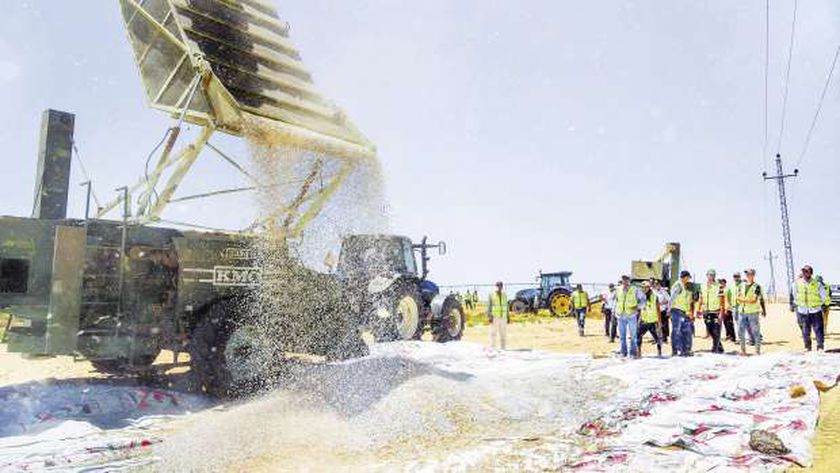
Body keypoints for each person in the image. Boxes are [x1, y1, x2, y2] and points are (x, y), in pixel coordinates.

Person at [795, 265, 827, 352]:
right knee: (805, 331)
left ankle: (820, 347)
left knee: (818, 330)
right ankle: (807, 347)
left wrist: (819, 304)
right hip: (803, 311)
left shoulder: (817, 284)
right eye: (803, 271)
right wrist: (798, 305)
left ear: (810, 273)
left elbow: (823, 296)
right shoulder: (797, 283)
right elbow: (795, 295)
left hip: (815, 310)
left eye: (806, 271)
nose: (804, 273)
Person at [615, 275, 645, 358]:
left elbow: (643, 300)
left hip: (631, 315)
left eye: (626, 279)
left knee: (633, 336)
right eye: (623, 279)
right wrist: (615, 311)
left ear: (629, 280)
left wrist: (638, 307)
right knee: (622, 336)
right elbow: (617, 301)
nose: (624, 281)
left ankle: (632, 353)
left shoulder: (635, 289)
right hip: (620, 315)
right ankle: (623, 352)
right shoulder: (618, 289)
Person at [736, 268, 764, 355]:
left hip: (753, 312)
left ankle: (757, 351)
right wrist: (746, 300)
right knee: (740, 332)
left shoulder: (757, 287)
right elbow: (737, 297)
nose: (748, 275)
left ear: (753, 275)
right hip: (742, 312)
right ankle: (743, 351)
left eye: (749, 274)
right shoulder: (741, 286)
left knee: (755, 332)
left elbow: (754, 300)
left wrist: (743, 300)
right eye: (746, 274)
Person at [697, 269, 725, 354]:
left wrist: (721, 312)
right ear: (707, 275)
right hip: (706, 311)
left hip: (716, 311)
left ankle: (715, 349)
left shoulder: (719, 286)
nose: (711, 276)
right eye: (710, 275)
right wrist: (698, 309)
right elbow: (700, 298)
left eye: (713, 275)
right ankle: (719, 346)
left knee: (716, 330)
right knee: (710, 330)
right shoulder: (702, 286)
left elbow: (722, 300)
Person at [669, 270, 695, 357]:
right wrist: (669, 310)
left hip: (682, 312)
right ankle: (675, 351)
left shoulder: (683, 286)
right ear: (685, 277)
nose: (688, 280)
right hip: (676, 311)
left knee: (685, 331)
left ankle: (685, 350)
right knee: (676, 331)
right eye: (688, 278)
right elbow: (671, 298)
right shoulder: (678, 285)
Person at [638, 281, 663, 356]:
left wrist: (659, 322)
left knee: (657, 338)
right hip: (644, 321)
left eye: (645, 287)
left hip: (653, 321)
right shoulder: (641, 296)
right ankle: (639, 352)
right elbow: (641, 309)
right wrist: (639, 319)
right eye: (642, 287)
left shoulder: (655, 296)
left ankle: (659, 353)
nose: (643, 289)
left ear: (648, 288)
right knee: (638, 336)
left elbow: (658, 309)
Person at [487, 281, 509, 350]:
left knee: (503, 334)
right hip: (495, 317)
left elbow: (506, 306)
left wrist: (508, 316)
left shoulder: (504, 295)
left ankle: (503, 348)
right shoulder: (492, 294)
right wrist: (489, 316)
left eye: (501, 286)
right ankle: (493, 348)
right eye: (498, 286)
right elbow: (489, 306)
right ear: (496, 286)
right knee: (493, 333)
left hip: (503, 317)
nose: (499, 287)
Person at [653, 279, 670, 344]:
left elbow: (669, 300)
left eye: (658, 284)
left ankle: (664, 338)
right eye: (656, 284)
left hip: (662, 311)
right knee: (656, 325)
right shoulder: (653, 292)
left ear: (660, 285)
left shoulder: (664, 292)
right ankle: (657, 338)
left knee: (664, 325)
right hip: (655, 311)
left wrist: (668, 310)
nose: (657, 285)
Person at [719, 279, 736, 343]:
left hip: (727, 308)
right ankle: (728, 336)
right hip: (723, 309)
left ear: (725, 283)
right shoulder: (721, 290)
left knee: (729, 323)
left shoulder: (727, 289)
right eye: (720, 282)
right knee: (725, 323)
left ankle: (732, 337)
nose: (721, 283)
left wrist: (727, 308)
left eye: (722, 282)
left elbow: (729, 299)